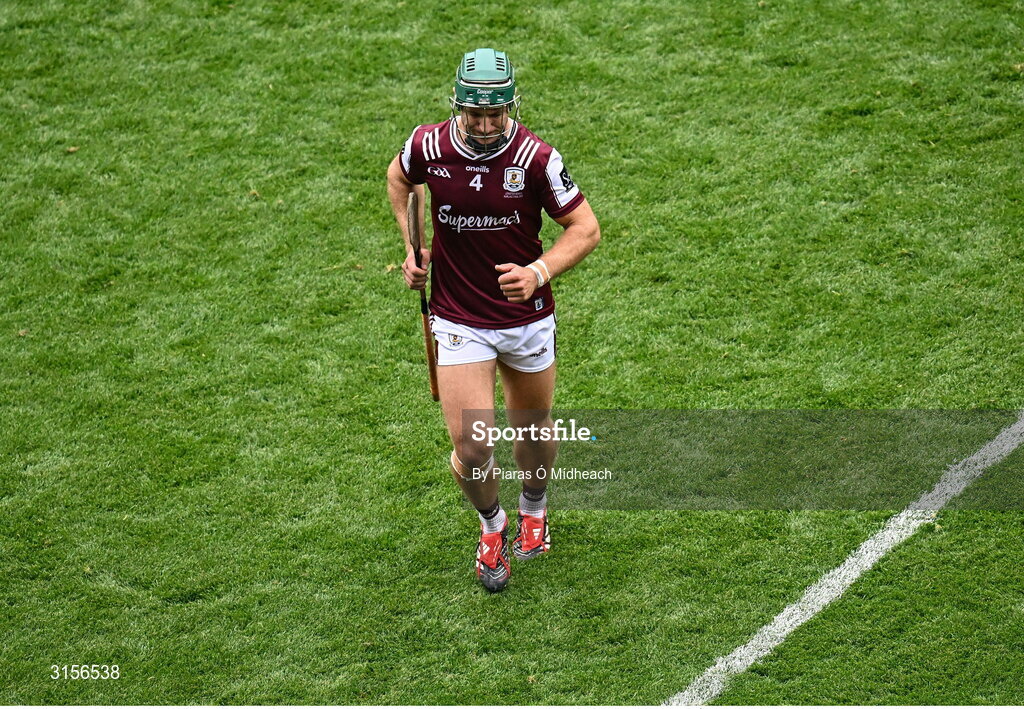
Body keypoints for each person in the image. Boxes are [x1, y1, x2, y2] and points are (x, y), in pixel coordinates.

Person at [386, 48, 600, 592]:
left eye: (496, 115)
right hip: (459, 317)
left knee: (532, 428)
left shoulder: (536, 159)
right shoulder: (427, 145)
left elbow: (585, 229)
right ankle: (492, 525)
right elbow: (399, 179)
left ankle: (534, 506)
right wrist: (414, 250)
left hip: (524, 319)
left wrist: (539, 271)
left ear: (511, 107)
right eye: (474, 115)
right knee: (473, 445)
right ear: (456, 105)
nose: (485, 127)